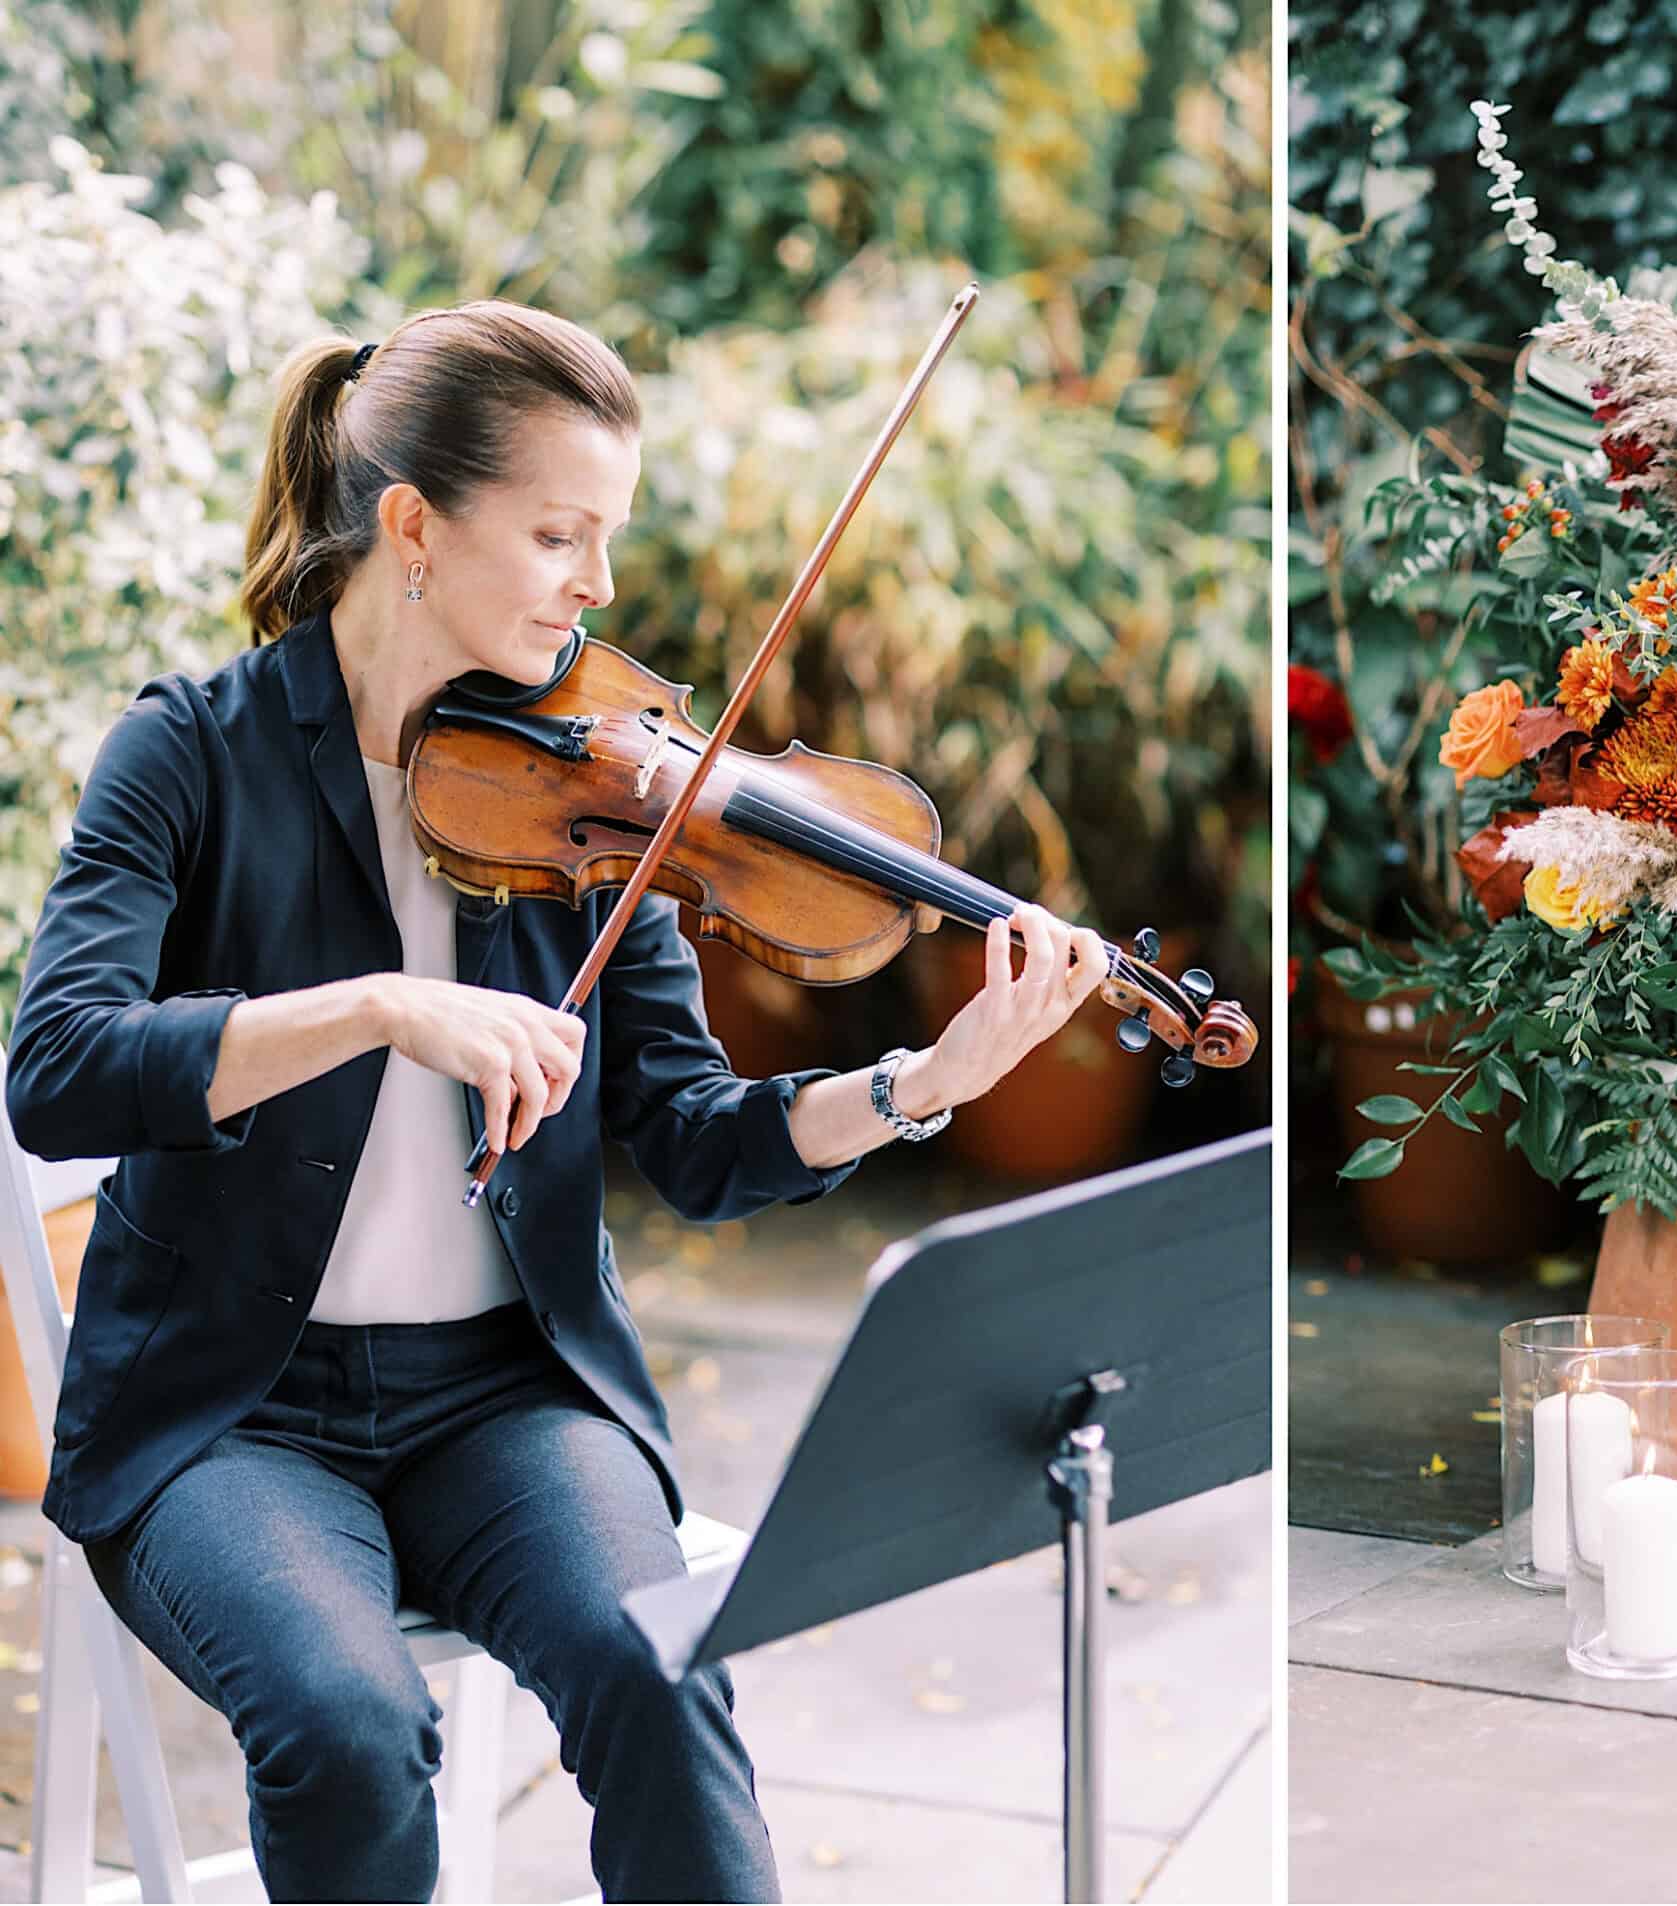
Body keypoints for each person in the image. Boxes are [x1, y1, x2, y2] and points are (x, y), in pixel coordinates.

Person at [4, 300, 1110, 1903]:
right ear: (413, 530)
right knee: (344, 1718)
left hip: (500, 1396)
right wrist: (381, 1007)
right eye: (558, 534)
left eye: (608, 538)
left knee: (660, 1679)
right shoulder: (189, 755)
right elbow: (59, 1066)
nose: (598, 584)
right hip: (230, 1409)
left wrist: (920, 1084)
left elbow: (699, 1138)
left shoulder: (604, 800)